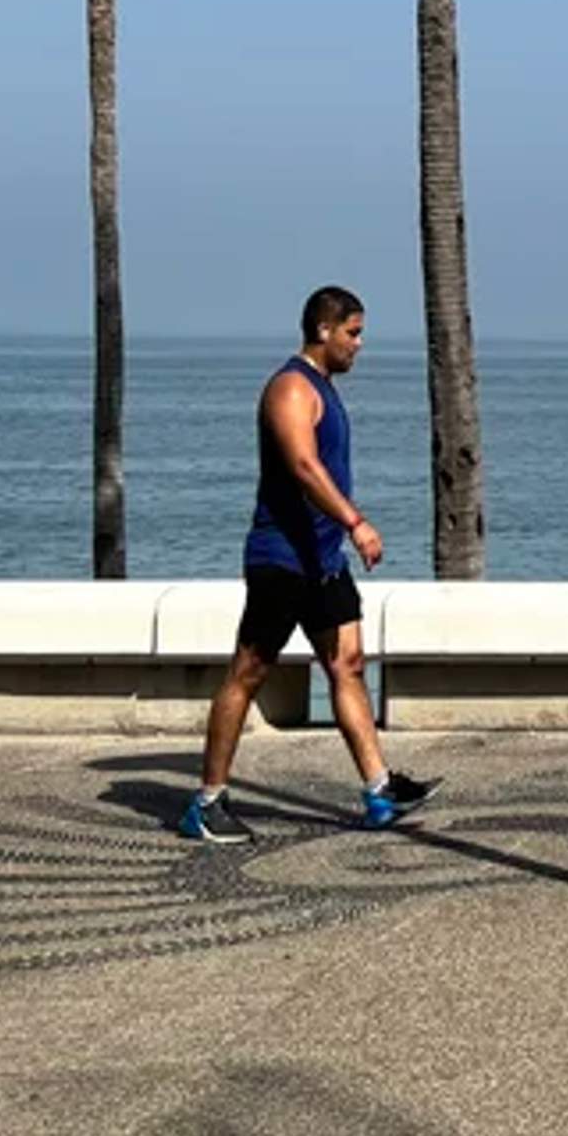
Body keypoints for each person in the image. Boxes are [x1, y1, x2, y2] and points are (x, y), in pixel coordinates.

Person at [178, 287, 436, 842]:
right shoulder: (291, 388)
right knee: (247, 673)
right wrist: (355, 521)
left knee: (348, 664)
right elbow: (302, 464)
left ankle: (378, 790)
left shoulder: (324, 389)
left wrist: (338, 537)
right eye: (353, 332)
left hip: (322, 560)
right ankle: (207, 802)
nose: (359, 345)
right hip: (282, 560)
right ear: (324, 330)